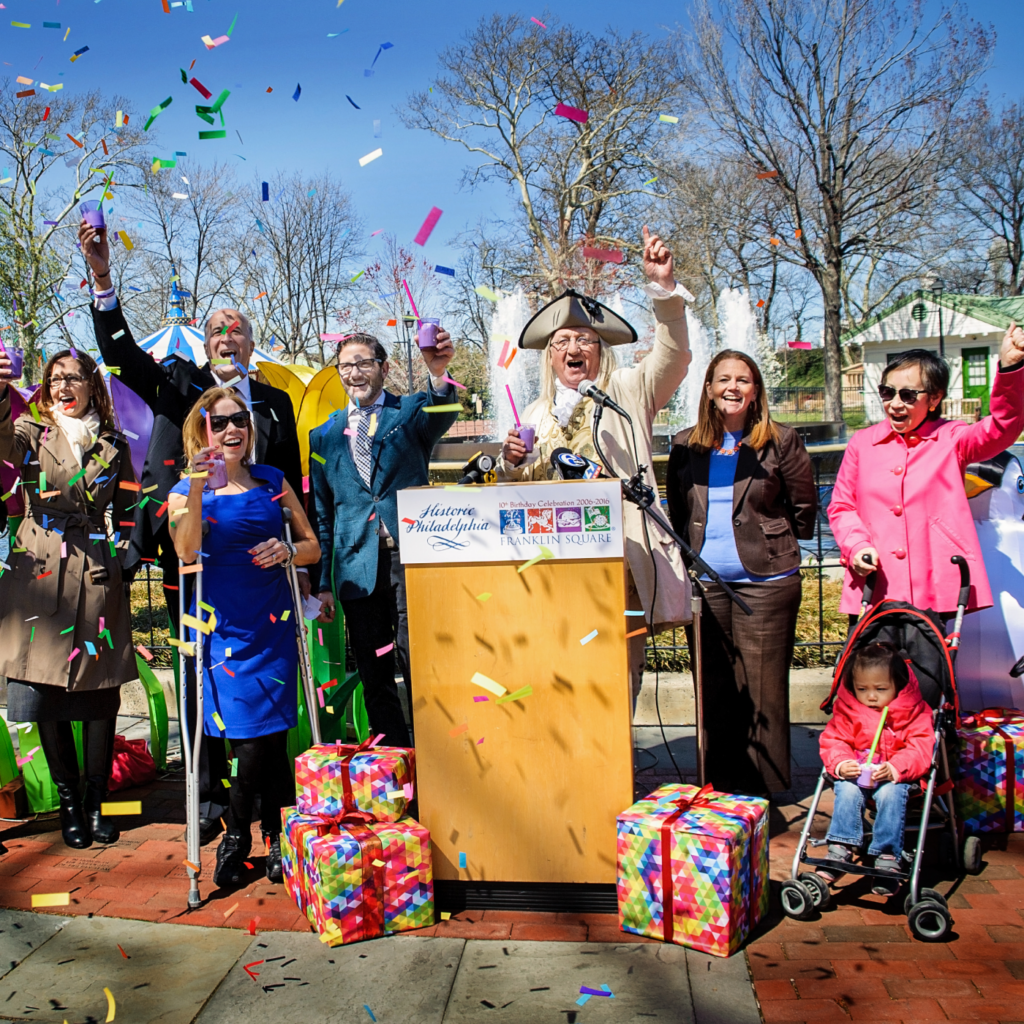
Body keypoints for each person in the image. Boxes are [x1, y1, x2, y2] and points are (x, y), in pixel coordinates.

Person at [79, 220, 304, 844]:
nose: (227, 337)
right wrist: (103, 280)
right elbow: (122, 357)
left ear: (252, 344)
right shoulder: (183, 388)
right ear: (205, 346)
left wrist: (304, 567)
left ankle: (270, 805)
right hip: (197, 562)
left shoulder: (277, 403)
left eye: (238, 330)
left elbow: (292, 490)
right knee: (199, 672)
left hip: (263, 572)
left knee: (270, 682)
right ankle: (208, 800)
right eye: (216, 331)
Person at [497, 227, 693, 698]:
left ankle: (614, 767)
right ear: (550, 356)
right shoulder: (536, 414)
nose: (573, 349)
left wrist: (664, 292)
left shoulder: (627, 390)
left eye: (584, 339)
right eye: (563, 341)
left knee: (616, 679)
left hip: (619, 565)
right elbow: (519, 486)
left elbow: (674, 356)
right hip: (551, 573)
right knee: (559, 680)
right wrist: (510, 462)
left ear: (599, 350)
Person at [167, 388, 320, 887]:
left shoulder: (272, 480)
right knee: (247, 739)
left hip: (271, 625)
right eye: (220, 421)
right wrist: (194, 482)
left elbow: (312, 547)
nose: (232, 429)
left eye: (241, 420)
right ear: (202, 428)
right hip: (220, 630)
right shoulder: (183, 490)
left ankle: (265, 834)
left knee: (269, 737)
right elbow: (186, 550)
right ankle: (242, 832)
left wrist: (287, 550)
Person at [0, 347, 137, 849]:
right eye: (55, 379)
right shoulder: (31, 432)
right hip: (38, 570)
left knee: (99, 696)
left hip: (95, 572)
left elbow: (128, 507)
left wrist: (127, 556)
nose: (63, 387)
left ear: (90, 385)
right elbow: (3, 448)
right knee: (46, 694)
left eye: (73, 378)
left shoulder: (114, 442)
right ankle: (69, 805)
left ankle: (98, 801)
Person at [666, 351, 816, 797]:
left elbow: (805, 507)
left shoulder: (781, 440)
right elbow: (678, 509)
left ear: (756, 391)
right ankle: (721, 789)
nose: (733, 387)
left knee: (763, 694)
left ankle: (763, 794)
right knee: (715, 694)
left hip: (767, 585)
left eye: (743, 380)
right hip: (708, 585)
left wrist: (773, 538)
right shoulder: (684, 443)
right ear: (709, 388)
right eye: (723, 379)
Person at [311, 330, 459, 747]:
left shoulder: (410, 412)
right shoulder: (323, 436)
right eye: (346, 366)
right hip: (358, 568)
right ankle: (394, 765)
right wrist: (323, 583)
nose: (354, 373)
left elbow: (444, 409)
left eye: (363, 363)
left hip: (409, 559)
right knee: (375, 676)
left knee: (421, 663)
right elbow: (323, 514)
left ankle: (437, 761)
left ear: (383, 367)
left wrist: (438, 371)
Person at [829, 329, 1024, 622]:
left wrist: (1010, 369)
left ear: (934, 399)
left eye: (907, 395)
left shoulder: (953, 438)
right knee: (872, 668)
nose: (895, 403)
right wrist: (856, 545)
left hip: (935, 584)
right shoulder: (861, 443)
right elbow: (842, 507)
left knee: (929, 668)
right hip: (875, 584)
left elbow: (1002, 427)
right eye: (887, 392)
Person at [817, 642, 934, 894]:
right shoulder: (848, 709)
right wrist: (841, 763)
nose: (871, 696)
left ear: (898, 686)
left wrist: (896, 767)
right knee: (846, 790)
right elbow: (835, 739)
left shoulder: (914, 712)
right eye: (862, 689)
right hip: (857, 773)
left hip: (894, 777)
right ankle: (840, 847)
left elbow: (920, 747)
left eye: (881, 689)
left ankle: (887, 855)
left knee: (890, 793)